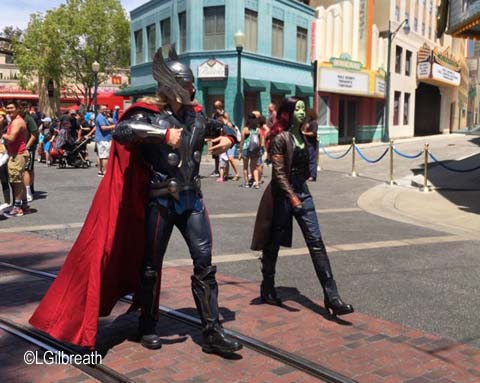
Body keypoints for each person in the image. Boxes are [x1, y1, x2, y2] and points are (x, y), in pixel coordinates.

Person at [30, 46, 242, 356]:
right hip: (161, 201)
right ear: (171, 85)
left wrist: (230, 137)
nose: (191, 88)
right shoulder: (148, 114)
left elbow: (218, 126)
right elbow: (123, 132)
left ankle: (211, 331)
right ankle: (148, 323)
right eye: (185, 83)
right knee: (151, 265)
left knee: (204, 264)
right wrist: (161, 135)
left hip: (191, 200)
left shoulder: (196, 115)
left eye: (191, 82)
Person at [250, 97, 354, 316]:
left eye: (303, 109)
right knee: (273, 243)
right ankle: (267, 286)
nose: (301, 113)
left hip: (303, 192)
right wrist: (292, 198)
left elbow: (308, 166)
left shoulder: (304, 137)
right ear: (287, 113)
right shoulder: (281, 138)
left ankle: (331, 297)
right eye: (296, 109)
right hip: (282, 196)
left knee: (316, 242)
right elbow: (278, 174)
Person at [1, 102, 28, 217]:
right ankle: (23, 204)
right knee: (19, 180)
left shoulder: (17, 121)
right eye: (8, 108)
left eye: (12, 108)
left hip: (18, 154)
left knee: (16, 181)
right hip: (15, 153)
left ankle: (17, 207)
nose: (9, 110)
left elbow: (11, 138)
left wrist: (2, 134)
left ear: (17, 109)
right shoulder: (14, 121)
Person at [238, 112, 263, 189]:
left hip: (246, 149)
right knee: (254, 167)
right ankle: (256, 183)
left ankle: (246, 183)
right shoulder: (258, 130)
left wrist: (240, 152)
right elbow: (260, 141)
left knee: (245, 167)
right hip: (255, 150)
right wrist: (260, 150)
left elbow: (242, 142)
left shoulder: (245, 129)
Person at [20, 102, 39, 202]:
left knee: (27, 169)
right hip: (22, 147)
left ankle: (28, 192)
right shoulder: (18, 119)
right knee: (28, 169)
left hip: (29, 147)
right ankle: (30, 188)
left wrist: (27, 146)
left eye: (22, 107)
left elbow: (35, 134)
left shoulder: (28, 119)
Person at [95, 105, 115, 177]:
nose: (105, 110)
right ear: (99, 110)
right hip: (104, 139)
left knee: (101, 155)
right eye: (103, 109)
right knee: (105, 156)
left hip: (101, 139)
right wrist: (113, 126)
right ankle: (105, 172)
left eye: (106, 109)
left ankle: (100, 171)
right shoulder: (100, 117)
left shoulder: (102, 117)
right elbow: (103, 128)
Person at [303, 109, 319, 182]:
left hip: (312, 144)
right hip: (307, 143)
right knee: (307, 159)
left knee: (312, 159)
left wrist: (304, 133)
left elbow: (313, 133)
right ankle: (307, 174)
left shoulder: (314, 123)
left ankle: (313, 175)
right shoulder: (308, 122)